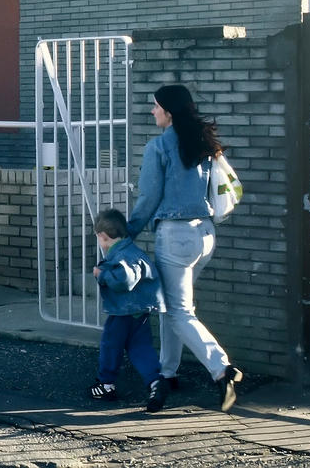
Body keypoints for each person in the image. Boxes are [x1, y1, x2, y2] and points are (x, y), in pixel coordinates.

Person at [127, 84, 243, 412]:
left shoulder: (159, 147)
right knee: (174, 307)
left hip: (175, 238)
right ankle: (168, 371)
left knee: (178, 311)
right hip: (205, 235)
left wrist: (129, 233)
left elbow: (149, 197)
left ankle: (221, 371)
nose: (152, 112)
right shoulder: (203, 143)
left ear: (169, 111)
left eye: (155, 106)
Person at [89, 208, 167, 412]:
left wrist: (102, 275)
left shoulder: (121, 257)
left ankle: (105, 385)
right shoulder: (134, 251)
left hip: (122, 313)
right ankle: (155, 381)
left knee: (110, 347)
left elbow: (125, 279)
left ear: (103, 237)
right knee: (140, 348)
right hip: (141, 312)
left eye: (99, 238)